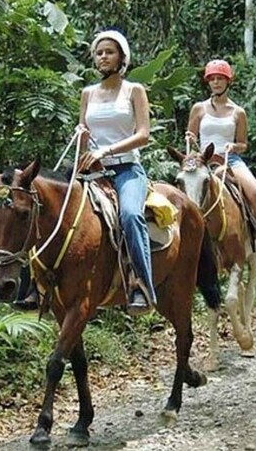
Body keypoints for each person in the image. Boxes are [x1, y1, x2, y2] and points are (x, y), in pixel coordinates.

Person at [76, 29, 156, 314]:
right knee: (50, 206)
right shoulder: (87, 94)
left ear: (121, 57)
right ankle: (35, 285)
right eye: (99, 53)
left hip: (126, 169)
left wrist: (106, 151)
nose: (103, 57)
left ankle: (141, 286)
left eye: (109, 52)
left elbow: (143, 135)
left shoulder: (134, 90)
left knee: (131, 215)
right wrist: (81, 136)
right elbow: (85, 136)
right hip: (92, 170)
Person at [185, 59, 256, 264]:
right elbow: (190, 134)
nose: (216, 83)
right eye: (212, 79)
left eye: (220, 79)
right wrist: (190, 142)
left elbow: (243, 143)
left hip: (230, 160)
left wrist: (233, 147)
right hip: (204, 160)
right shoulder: (198, 108)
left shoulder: (238, 112)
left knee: (255, 193)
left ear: (228, 82)